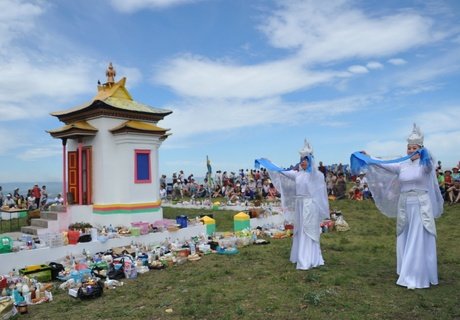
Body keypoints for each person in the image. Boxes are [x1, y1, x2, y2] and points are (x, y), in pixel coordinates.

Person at [350, 124, 443, 289]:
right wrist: (369, 157)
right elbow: (384, 164)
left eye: (414, 148)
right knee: (405, 235)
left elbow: (430, 164)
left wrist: (425, 154)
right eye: (408, 147)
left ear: (420, 149)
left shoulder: (425, 164)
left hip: (421, 204)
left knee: (418, 236)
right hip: (405, 204)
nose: (410, 150)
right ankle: (405, 269)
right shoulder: (402, 164)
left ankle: (418, 273)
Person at [256, 139, 330, 270]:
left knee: (308, 230)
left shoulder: (316, 175)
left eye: (305, 160)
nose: (302, 162)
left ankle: (309, 258)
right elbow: (282, 171)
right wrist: (269, 163)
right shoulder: (298, 175)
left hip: (310, 205)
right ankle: (299, 256)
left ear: (310, 161)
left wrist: (310, 152)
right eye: (301, 160)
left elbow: (313, 171)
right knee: (300, 229)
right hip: (300, 205)